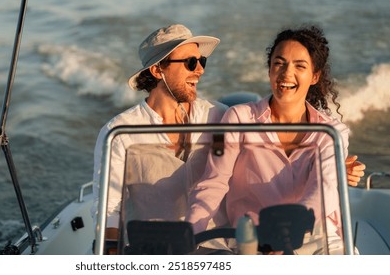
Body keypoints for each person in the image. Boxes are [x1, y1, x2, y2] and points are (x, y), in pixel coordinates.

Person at [186, 25, 354, 254]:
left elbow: (322, 190)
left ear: (315, 76)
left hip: (315, 236)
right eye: (279, 63)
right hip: (252, 238)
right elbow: (214, 182)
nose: (286, 73)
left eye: (299, 66)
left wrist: (286, 232)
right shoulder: (238, 117)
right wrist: (189, 237)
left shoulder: (332, 132)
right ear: (269, 70)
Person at [90, 24, 228, 248]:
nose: (200, 70)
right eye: (190, 63)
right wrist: (112, 253)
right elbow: (109, 208)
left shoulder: (220, 116)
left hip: (215, 247)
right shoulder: (120, 132)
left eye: (201, 61)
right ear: (157, 71)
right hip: (154, 248)